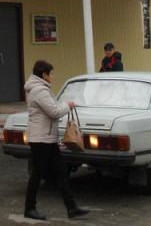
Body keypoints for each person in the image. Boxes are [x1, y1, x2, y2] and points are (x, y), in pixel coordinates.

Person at [23, 60, 89, 221]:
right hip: (41, 140)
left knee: (60, 173)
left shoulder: (40, 89)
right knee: (38, 174)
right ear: (44, 75)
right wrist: (68, 105)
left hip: (47, 138)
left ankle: (72, 208)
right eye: (51, 73)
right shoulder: (39, 90)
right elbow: (54, 112)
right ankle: (29, 208)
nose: (53, 76)